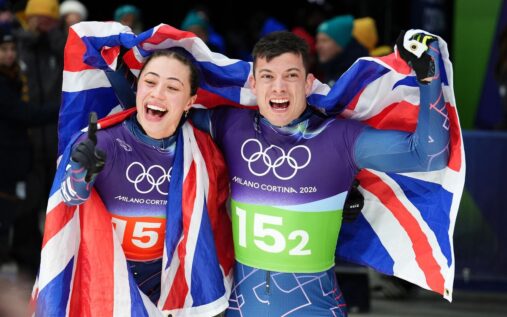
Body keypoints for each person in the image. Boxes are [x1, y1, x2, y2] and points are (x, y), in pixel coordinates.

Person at [189, 30, 449, 316]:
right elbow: (162, 115)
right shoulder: (229, 125)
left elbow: (428, 155)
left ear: (309, 83)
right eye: (267, 76)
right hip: (241, 309)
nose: (279, 87)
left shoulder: (340, 139)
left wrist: (430, 72)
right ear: (252, 83)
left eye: (291, 75)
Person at [55, 48, 232, 314]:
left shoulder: (204, 150)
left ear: (189, 101)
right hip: (107, 287)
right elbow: (69, 200)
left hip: (170, 291)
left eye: (173, 87)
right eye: (150, 82)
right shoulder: (102, 140)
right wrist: (81, 175)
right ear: (137, 88)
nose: (157, 94)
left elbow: (216, 222)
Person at [0, 28, 58, 266]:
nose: (10, 54)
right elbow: (26, 115)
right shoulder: (3, 84)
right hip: (6, 164)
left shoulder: (13, 77)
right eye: (4, 50)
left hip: (18, 162)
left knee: (21, 217)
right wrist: (65, 102)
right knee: (9, 219)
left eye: (13, 49)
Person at [315, 14, 369, 86]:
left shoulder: (358, 75)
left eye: (324, 41)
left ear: (341, 43)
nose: (318, 46)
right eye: (318, 41)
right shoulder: (332, 69)